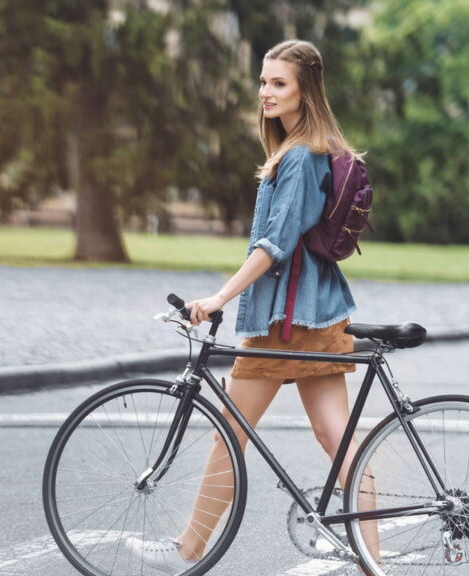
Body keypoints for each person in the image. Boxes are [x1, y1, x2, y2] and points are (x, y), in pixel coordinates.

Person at [125, 39, 382, 574]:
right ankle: (372, 565)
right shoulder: (306, 150)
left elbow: (274, 244)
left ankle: (189, 550)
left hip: (287, 322)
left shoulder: (299, 157)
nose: (265, 92)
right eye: (263, 81)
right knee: (335, 437)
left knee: (230, 430)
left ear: (305, 90)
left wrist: (219, 297)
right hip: (319, 314)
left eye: (279, 83)